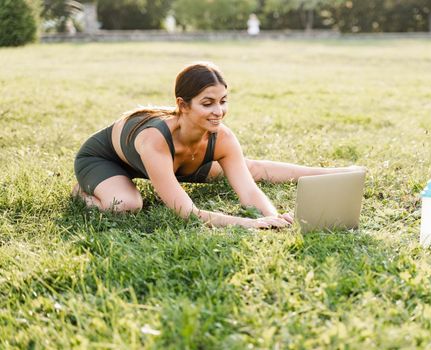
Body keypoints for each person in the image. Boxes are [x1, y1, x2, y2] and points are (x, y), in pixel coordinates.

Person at [73, 62, 365, 229]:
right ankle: (85, 193)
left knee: (251, 168)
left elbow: (249, 189)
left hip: (180, 162)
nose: (219, 111)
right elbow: (186, 212)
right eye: (208, 103)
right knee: (127, 204)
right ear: (182, 105)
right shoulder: (154, 139)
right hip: (105, 159)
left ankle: (337, 172)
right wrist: (250, 225)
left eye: (223, 101)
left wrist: (270, 215)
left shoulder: (221, 136)